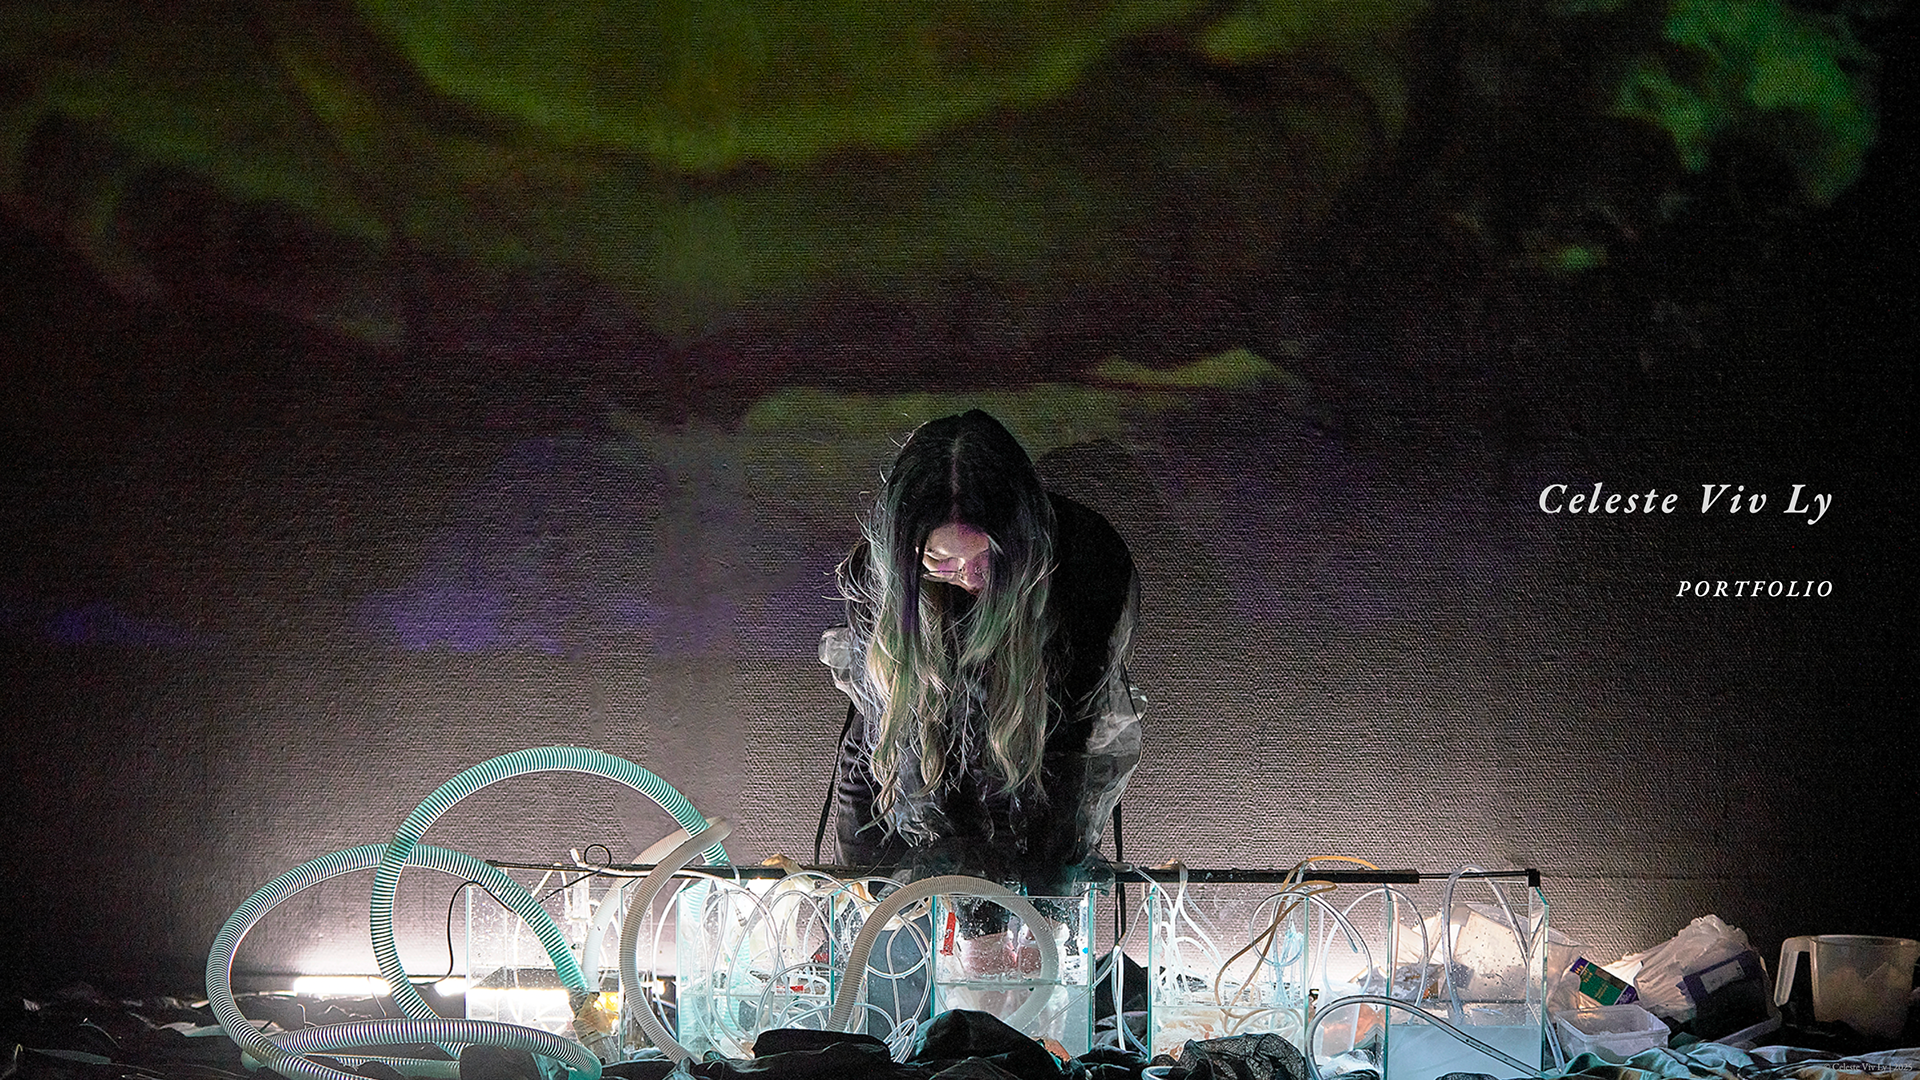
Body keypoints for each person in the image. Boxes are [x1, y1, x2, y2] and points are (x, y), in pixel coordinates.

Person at [819, 410, 1144, 897]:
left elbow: (1068, 745)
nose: (969, 578)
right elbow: (889, 737)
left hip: (1034, 756)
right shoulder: (878, 576)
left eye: (986, 556)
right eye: (940, 560)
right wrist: (924, 877)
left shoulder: (1088, 562)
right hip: (899, 767)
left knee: (1033, 903)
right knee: (882, 914)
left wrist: (1040, 893)